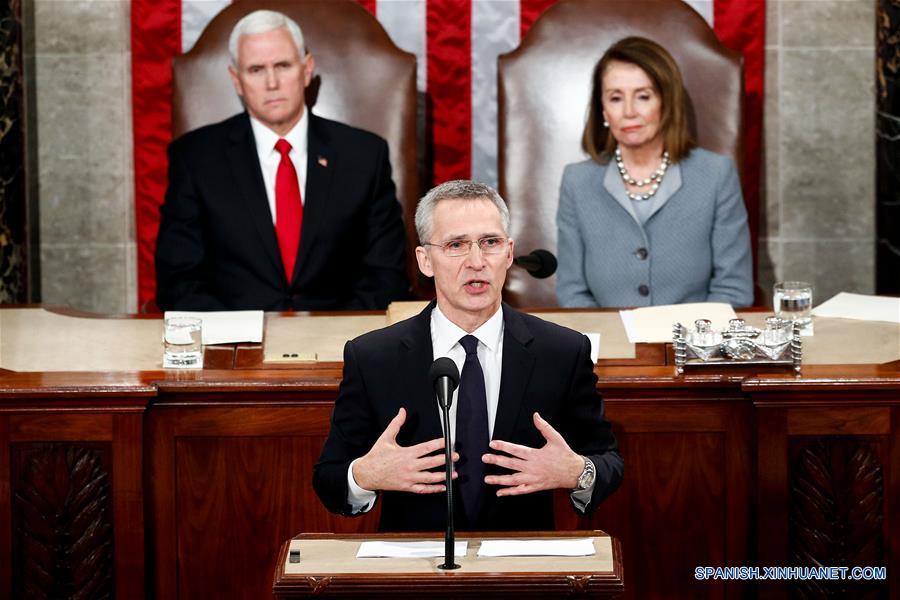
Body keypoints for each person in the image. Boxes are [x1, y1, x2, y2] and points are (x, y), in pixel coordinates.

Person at [313, 180, 623, 532]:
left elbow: (608, 461)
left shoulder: (563, 352)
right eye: (456, 245)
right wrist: (365, 475)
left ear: (508, 253)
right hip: (415, 572)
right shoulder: (372, 357)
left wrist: (577, 472)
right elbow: (329, 479)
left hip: (522, 572)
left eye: (489, 243)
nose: (477, 262)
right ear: (425, 260)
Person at [155, 10, 408, 311]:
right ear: (237, 80)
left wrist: (338, 337)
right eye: (256, 70)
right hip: (235, 347)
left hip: (340, 343)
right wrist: (237, 340)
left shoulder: (364, 155)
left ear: (306, 69)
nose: (272, 82)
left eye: (283, 65)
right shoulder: (196, 158)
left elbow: (386, 274)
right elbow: (179, 278)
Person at [556, 36, 753, 308]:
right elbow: (572, 294)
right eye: (615, 98)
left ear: (666, 102)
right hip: (608, 346)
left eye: (643, 96)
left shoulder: (716, 175)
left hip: (694, 346)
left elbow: (733, 289)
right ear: (603, 109)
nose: (628, 112)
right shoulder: (576, 182)